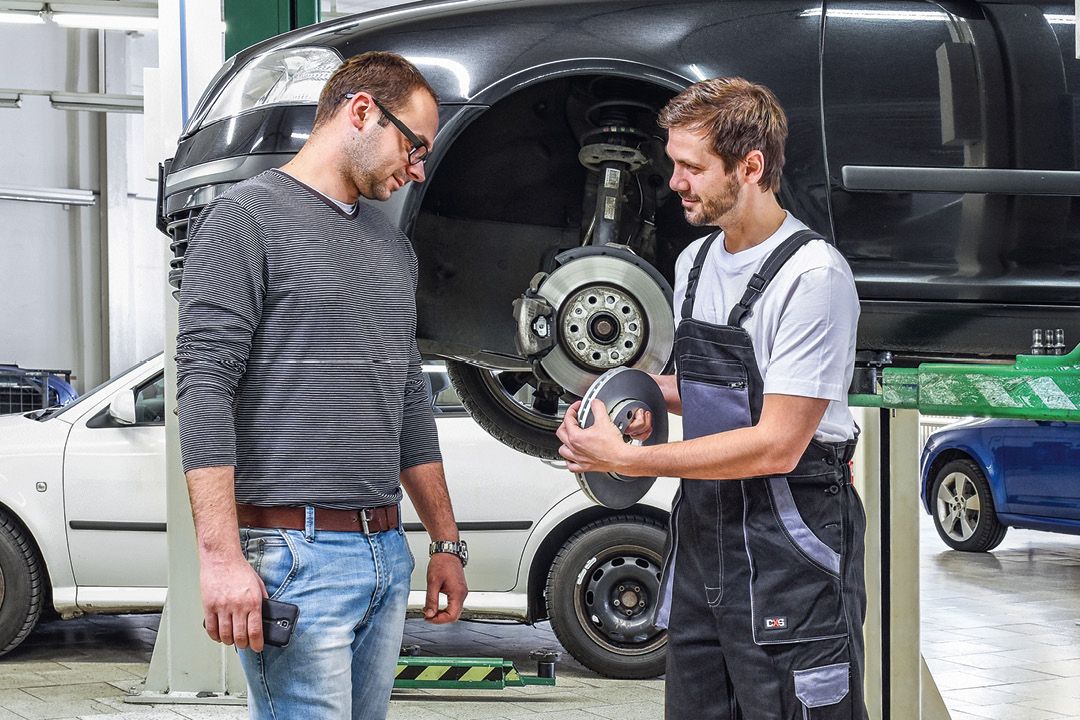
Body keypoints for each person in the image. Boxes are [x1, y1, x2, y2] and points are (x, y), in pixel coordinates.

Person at [557, 77, 866, 720]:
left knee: (792, 706)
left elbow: (779, 442)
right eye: (673, 163)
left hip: (790, 532)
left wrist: (630, 462)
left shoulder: (813, 278)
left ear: (750, 167)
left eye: (692, 166)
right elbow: (715, 391)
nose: (674, 181)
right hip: (704, 533)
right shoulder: (693, 263)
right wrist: (634, 399)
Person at [176, 51, 468, 720]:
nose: (417, 168)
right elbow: (205, 386)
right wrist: (220, 559)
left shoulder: (392, 248)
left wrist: (445, 542)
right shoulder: (245, 219)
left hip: (384, 556)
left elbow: (408, 399)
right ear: (362, 111)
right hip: (294, 557)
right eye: (413, 145)